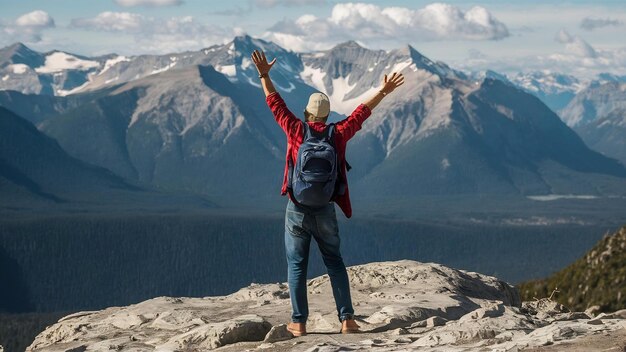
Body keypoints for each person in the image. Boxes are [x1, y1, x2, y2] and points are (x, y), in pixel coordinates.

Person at [251, 49, 404, 336]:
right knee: (334, 262)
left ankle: (298, 323)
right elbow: (362, 112)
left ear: (307, 113)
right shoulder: (339, 133)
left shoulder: (296, 129)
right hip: (325, 209)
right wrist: (383, 90)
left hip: (297, 208)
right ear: (327, 114)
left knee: (297, 265)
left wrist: (264, 75)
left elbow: (274, 103)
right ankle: (347, 320)